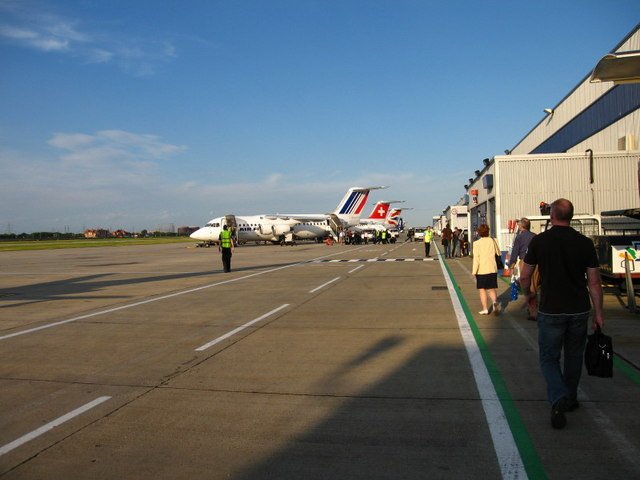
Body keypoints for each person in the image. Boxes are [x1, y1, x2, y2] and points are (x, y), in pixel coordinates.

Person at [519, 198, 603, 430]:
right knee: (574, 357)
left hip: (551, 310)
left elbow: (525, 276)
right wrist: (598, 314)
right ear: (571, 216)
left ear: (552, 215)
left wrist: (529, 297)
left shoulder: (540, 241)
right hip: (578, 310)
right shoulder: (585, 243)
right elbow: (594, 283)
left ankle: (558, 398)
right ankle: (571, 397)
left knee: (549, 358)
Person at [509, 218, 537, 320]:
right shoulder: (535, 236)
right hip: (536, 262)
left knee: (526, 285)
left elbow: (515, 251)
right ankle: (534, 309)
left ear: (521, 226)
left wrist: (511, 264)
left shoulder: (519, 237)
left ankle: (532, 310)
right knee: (534, 285)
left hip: (524, 262)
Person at [471, 224, 500, 315]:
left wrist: (474, 271)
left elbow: (476, 259)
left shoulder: (476, 243)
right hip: (492, 268)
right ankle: (494, 302)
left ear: (479, 232)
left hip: (481, 269)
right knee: (491, 288)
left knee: (482, 289)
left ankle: (485, 309)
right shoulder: (493, 241)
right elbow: (498, 253)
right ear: (488, 231)